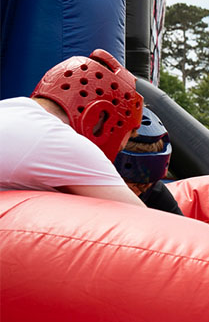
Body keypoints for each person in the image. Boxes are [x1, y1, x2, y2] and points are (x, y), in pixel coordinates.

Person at [0, 49, 146, 207]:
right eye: (118, 148)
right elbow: (142, 221)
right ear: (100, 116)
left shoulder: (10, 108)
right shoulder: (62, 142)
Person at [113, 107, 184, 215]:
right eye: (131, 185)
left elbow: (181, 227)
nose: (136, 192)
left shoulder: (155, 191)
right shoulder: (85, 180)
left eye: (143, 185)